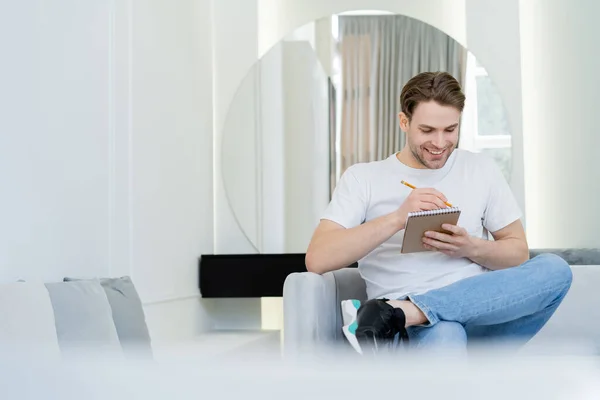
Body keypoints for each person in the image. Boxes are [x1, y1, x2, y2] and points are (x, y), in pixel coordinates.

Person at [305, 71, 572, 352]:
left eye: (450, 130)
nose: (440, 143)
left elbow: (518, 253)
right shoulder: (364, 178)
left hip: (481, 313)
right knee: (446, 332)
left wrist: (471, 247)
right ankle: (412, 317)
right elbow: (318, 259)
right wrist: (397, 218)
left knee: (556, 269)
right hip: (416, 335)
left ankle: (403, 311)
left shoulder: (481, 169)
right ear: (404, 122)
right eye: (427, 130)